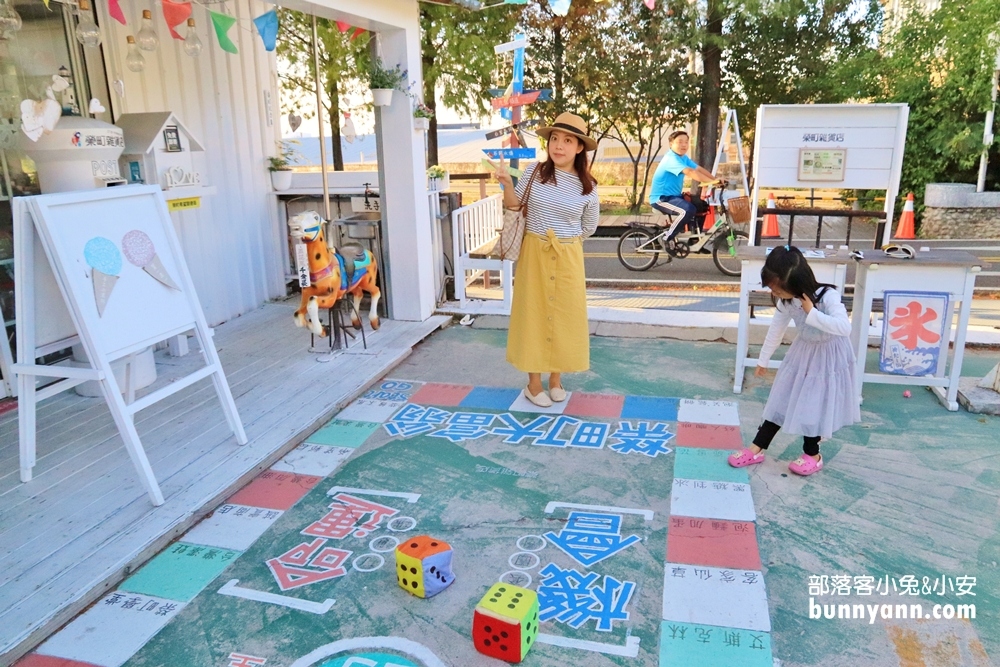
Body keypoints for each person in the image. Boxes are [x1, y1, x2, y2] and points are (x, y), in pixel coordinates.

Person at [493, 112, 599, 408]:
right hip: (534, 254)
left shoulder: (588, 186)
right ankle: (533, 383)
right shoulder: (533, 172)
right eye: (554, 138)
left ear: (580, 148)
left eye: (568, 140)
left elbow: (589, 227)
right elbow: (517, 208)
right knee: (534, 316)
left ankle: (556, 380)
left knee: (565, 318)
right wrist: (506, 184)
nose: (559, 146)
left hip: (567, 256)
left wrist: (566, 239)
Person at [728, 246, 860, 475]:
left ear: (795, 283)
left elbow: (844, 327)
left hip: (828, 357)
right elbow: (776, 329)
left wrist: (812, 313)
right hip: (803, 353)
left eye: (778, 290)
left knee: (812, 406)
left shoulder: (827, 296)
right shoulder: (786, 302)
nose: (775, 294)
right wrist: (763, 359)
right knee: (780, 399)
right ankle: (756, 448)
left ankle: (813, 454)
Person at [648, 131, 719, 244]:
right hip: (661, 199)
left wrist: (715, 179)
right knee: (688, 210)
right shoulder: (671, 159)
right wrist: (713, 182)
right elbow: (690, 172)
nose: (684, 145)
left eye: (686, 142)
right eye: (680, 142)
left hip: (675, 197)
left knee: (702, 206)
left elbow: (698, 169)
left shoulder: (683, 158)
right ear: (671, 144)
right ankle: (667, 238)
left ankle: (695, 240)